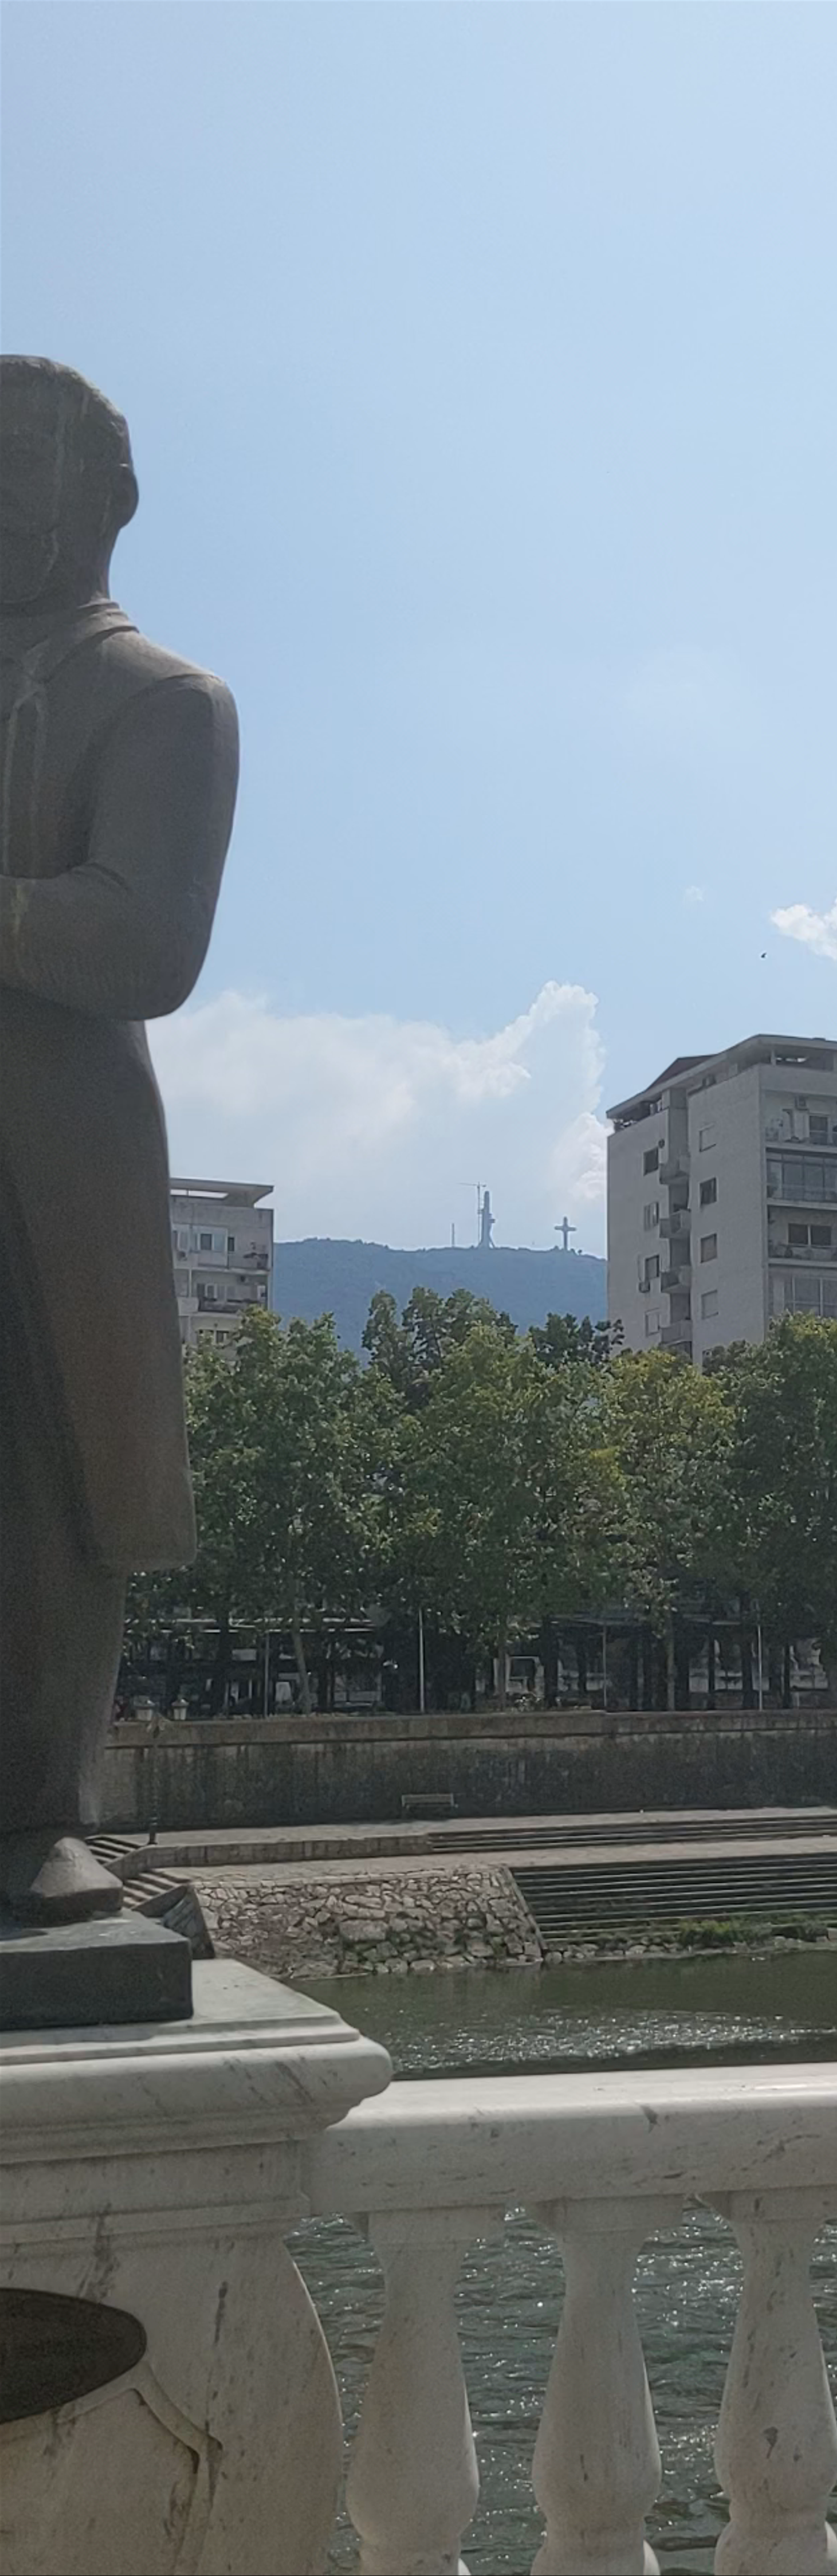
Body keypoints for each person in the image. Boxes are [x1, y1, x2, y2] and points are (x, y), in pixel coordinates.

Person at [0, 357, 238, 1920]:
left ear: (90, 497)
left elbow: (144, 941)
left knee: (40, 1483)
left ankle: (37, 1811)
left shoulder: (159, 699)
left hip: (47, 1171)